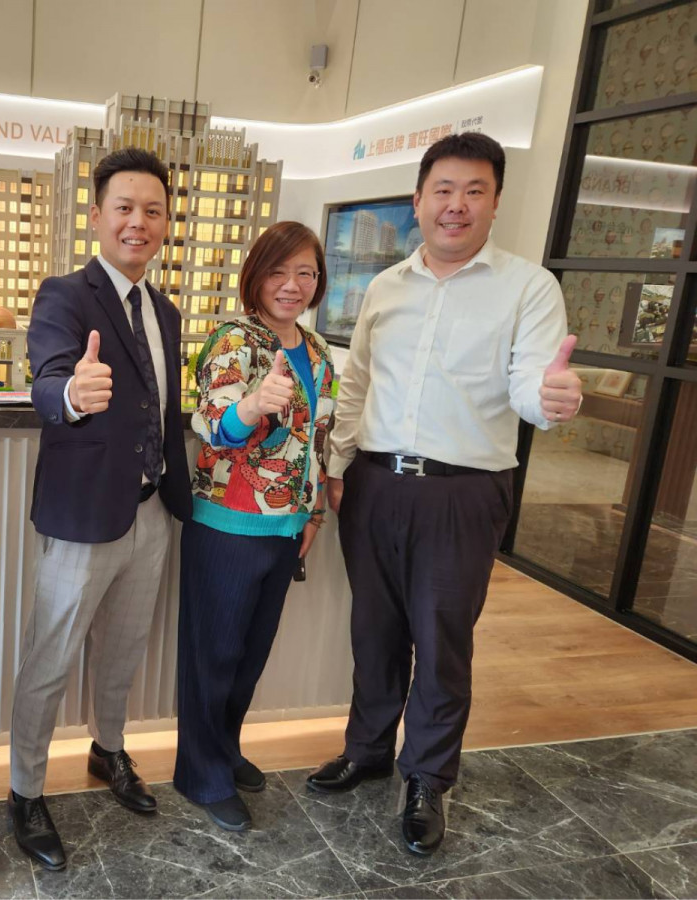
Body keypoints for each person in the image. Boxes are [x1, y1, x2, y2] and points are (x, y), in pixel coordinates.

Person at [306, 132, 583, 856]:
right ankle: (368, 749)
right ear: (420, 200)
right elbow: (357, 383)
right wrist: (338, 467)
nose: (456, 205)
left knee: (441, 639)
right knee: (374, 631)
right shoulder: (386, 287)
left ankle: (427, 777)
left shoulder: (529, 287)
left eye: (474, 191)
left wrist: (551, 398)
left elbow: (531, 384)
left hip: (463, 494)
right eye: (444, 190)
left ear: (495, 202)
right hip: (373, 484)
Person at [7, 147, 193, 870]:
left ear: (166, 222)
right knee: (50, 657)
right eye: (124, 208)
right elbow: (49, 379)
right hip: (83, 516)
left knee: (123, 650)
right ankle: (25, 790)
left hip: (151, 510)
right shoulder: (64, 295)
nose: (138, 222)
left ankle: (107, 749)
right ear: (95, 216)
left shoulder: (165, 311)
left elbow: (163, 410)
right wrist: (71, 394)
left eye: (152, 210)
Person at [174, 222, 335, 832]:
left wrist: (313, 512)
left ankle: (224, 747)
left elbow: (316, 440)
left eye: (306, 273)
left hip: (286, 527)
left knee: (249, 655)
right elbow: (213, 427)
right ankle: (201, 774)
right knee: (213, 655)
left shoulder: (316, 350)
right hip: (227, 525)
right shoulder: (234, 340)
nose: (292, 285)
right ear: (256, 277)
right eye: (278, 271)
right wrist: (250, 406)